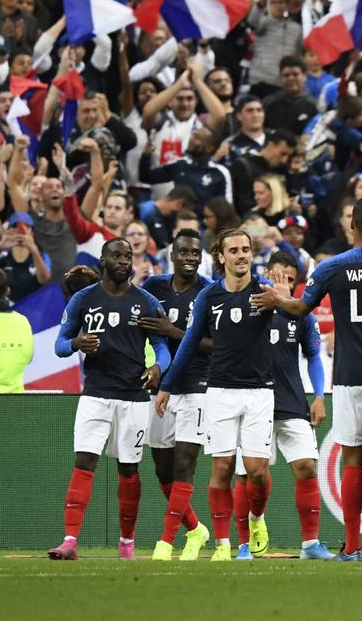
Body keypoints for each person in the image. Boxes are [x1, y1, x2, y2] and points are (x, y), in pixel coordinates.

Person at [250, 196, 362, 562]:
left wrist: (276, 301)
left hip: (349, 375)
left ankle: (352, 545)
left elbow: (301, 308)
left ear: (351, 226)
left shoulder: (332, 266)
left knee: (352, 459)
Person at [48, 238, 170, 561]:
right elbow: (59, 345)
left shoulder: (145, 301)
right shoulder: (83, 300)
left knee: (129, 470)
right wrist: (76, 342)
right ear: (103, 259)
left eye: (128, 256)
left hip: (134, 398)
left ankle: (126, 544)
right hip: (95, 395)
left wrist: (158, 367)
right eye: (116, 255)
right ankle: (70, 540)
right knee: (84, 462)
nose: (123, 260)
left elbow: (163, 348)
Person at [161, 228, 275, 562]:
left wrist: (282, 298)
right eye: (235, 250)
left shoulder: (265, 293)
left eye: (247, 249)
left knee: (256, 470)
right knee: (222, 468)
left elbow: (297, 315)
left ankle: (256, 518)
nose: (242, 255)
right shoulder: (209, 297)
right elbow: (190, 342)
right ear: (221, 257)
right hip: (220, 391)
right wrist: (167, 385)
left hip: (259, 392)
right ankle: (225, 545)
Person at [239, 251, 335, 560]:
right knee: (252, 475)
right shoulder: (248, 305)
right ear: (265, 272)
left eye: (291, 280)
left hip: (291, 400)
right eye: (278, 276)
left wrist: (318, 395)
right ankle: (246, 538)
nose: (284, 284)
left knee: (306, 466)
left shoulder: (302, 315)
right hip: (253, 400)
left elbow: (314, 357)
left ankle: (310, 544)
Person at [141, 230, 213, 562]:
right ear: (172, 254)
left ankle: (166, 543)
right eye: (184, 252)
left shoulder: (209, 293)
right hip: (161, 389)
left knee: (185, 465)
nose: (190, 257)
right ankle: (196, 528)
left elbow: (218, 344)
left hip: (197, 386)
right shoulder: (154, 288)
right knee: (163, 471)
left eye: (195, 253)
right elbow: (126, 300)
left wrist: (175, 333)